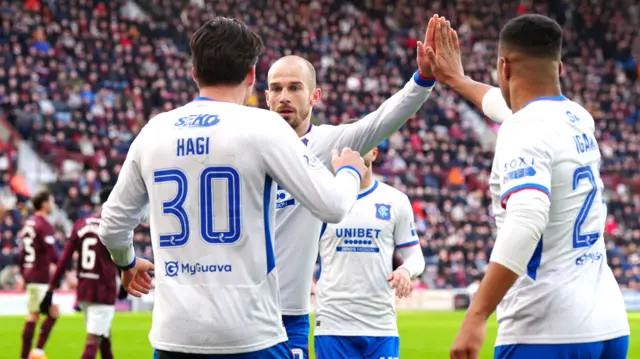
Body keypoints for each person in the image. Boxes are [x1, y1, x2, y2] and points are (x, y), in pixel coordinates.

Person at [97, 17, 367, 359]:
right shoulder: (264, 126)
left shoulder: (154, 131)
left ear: (194, 73)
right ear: (252, 76)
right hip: (250, 334)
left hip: (173, 336)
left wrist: (127, 262)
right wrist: (348, 172)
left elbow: (112, 226)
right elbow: (333, 206)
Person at [425, 16, 631, 359]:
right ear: (559, 67)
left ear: (504, 67)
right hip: (608, 325)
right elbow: (503, 105)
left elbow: (528, 218)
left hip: (545, 328)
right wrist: (457, 80)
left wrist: (477, 315)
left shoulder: (522, 129)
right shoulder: (578, 118)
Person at [264, 14, 441, 359]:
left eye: (294, 88)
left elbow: (384, 118)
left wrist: (422, 79)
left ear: (314, 96)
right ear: (266, 96)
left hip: (291, 312)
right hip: (243, 308)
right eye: (276, 88)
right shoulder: (249, 142)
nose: (284, 96)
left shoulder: (331, 143)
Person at [313, 145, 426, 359]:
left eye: (361, 144)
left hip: (380, 325)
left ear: (374, 152)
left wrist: (404, 271)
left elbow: (415, 257)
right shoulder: (323, 201)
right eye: (348, 146)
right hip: (333, 325)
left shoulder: (395, 201)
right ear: (337, 155)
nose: (354, 151)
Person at [40, 187, 125, 359]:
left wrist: (50, 289)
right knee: (93, 340)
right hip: (103, 290)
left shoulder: (81, 224)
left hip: (84, 289)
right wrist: (124, 283)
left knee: (103, 336)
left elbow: (64, 259)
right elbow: (122, 257)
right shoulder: (114, 226)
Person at [17, 191, 60, 359]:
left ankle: (28, 354)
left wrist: (23, 274)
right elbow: (53, 254)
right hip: (39, 275)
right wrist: (65, 270)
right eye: (51, 201)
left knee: (35, 315)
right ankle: (35, 352)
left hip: (31, 274)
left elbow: (21, 254)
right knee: (52, 313)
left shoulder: (28, 224)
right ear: (44, 204)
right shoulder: (43, 224)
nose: (53, 204)